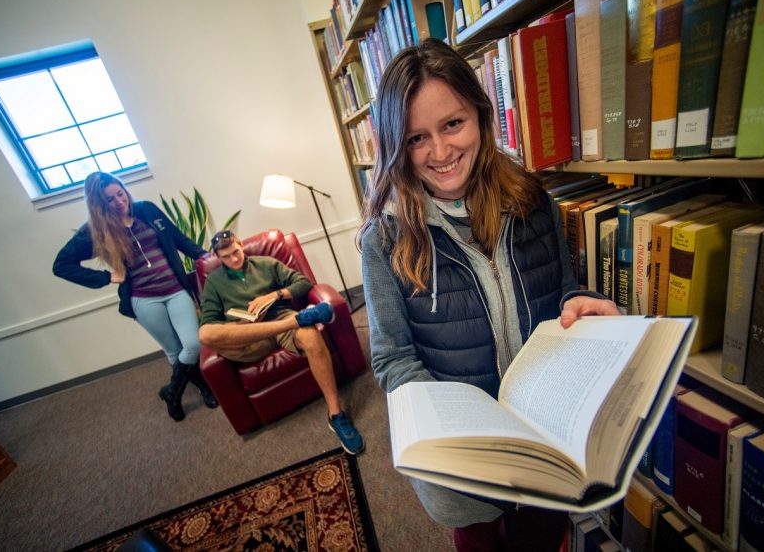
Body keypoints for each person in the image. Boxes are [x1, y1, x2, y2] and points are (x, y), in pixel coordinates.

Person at [358, 39, 620, 551]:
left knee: (544, 538)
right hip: (463, 461)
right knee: (478, 540)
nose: (440, 152)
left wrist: (581, 307)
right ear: (395, 144)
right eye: (416, 137)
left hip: (546, 437)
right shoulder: (385, 239)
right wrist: (466, 426)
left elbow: (564, 289)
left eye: (452, 124)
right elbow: (392, 359)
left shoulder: (530, 198)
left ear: (480, 116)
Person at [53, 172, 217, 422]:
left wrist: (211, 259)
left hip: (175, 290)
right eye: (110, 200)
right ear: (99, 205)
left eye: (120, 193)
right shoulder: (95, 232)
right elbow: (62, 264)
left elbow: (179, 239)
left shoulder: (147, 211)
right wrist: (105, 278)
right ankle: (203, 387)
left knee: (193, 345)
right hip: (144, 299)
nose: (119, 201)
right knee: (173, 351)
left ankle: (172, 391)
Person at [197, 230, 365, 455]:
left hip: (279, 318)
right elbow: (209, 322)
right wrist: (238, 325)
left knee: (311, 336)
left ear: (241, 244)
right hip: (246, 336)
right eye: (226, 257)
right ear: (218, 257)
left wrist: (274, 296)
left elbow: (302, 283)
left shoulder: (265, 263)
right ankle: (301, 318)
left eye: (236, 252)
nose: (234, 259)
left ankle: (336, 415)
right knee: (205, 334)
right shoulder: (214, 282)